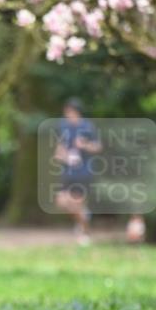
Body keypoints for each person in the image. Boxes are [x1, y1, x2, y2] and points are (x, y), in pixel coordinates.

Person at [53, 97, 101, 246]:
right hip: (68, 172)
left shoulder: (88, 127)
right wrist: (62, 156)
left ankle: (85, 234)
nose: (68, 114)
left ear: (77, 112)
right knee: (61, 202)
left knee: (77, 204)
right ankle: (84, 218)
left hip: (83, 171)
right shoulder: (63, 127)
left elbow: (98, 147)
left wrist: (84, 145)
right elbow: (59, 148)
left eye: (70, 111)